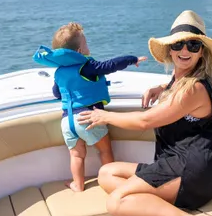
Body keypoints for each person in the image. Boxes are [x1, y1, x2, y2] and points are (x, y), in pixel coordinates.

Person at [77, 10, 212, 216]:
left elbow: (145, 121)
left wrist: (104, 116)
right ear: (170, 50)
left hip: (193, 174)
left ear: (201, 51)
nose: (184, 50)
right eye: (178, 44)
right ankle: (163, 213)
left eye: (193, 44)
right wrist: (159, 88)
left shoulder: (194, 88)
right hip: (173, 164)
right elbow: (173, 92)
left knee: (116, 202)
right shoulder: (179, 82)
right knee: (106, 173)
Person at [33, 22, 147, 192]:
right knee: (105, 150)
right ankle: (113, 182)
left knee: (77, 155)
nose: (88, 47)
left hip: (68, 122)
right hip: (88, 117)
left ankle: (77, 185)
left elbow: (57, 94)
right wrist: (132, 59)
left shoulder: (59, 73)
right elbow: (110, 65)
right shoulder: (86, 67)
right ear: (79, 51)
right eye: (86, 44)